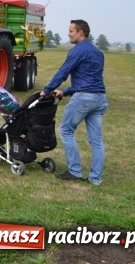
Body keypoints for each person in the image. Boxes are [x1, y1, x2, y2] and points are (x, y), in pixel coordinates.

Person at [41, 19, 108, 186]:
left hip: (84, 99)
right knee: (97, 141)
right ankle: (95, 179)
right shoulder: (98, 52)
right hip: (100, 98)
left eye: (71, 31)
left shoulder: (77, 51)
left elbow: (62, 73)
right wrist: (65, 92)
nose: (68, 34)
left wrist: (47, 90)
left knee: (66, 130)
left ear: (80, 32)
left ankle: (75, 171)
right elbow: (89, 80)